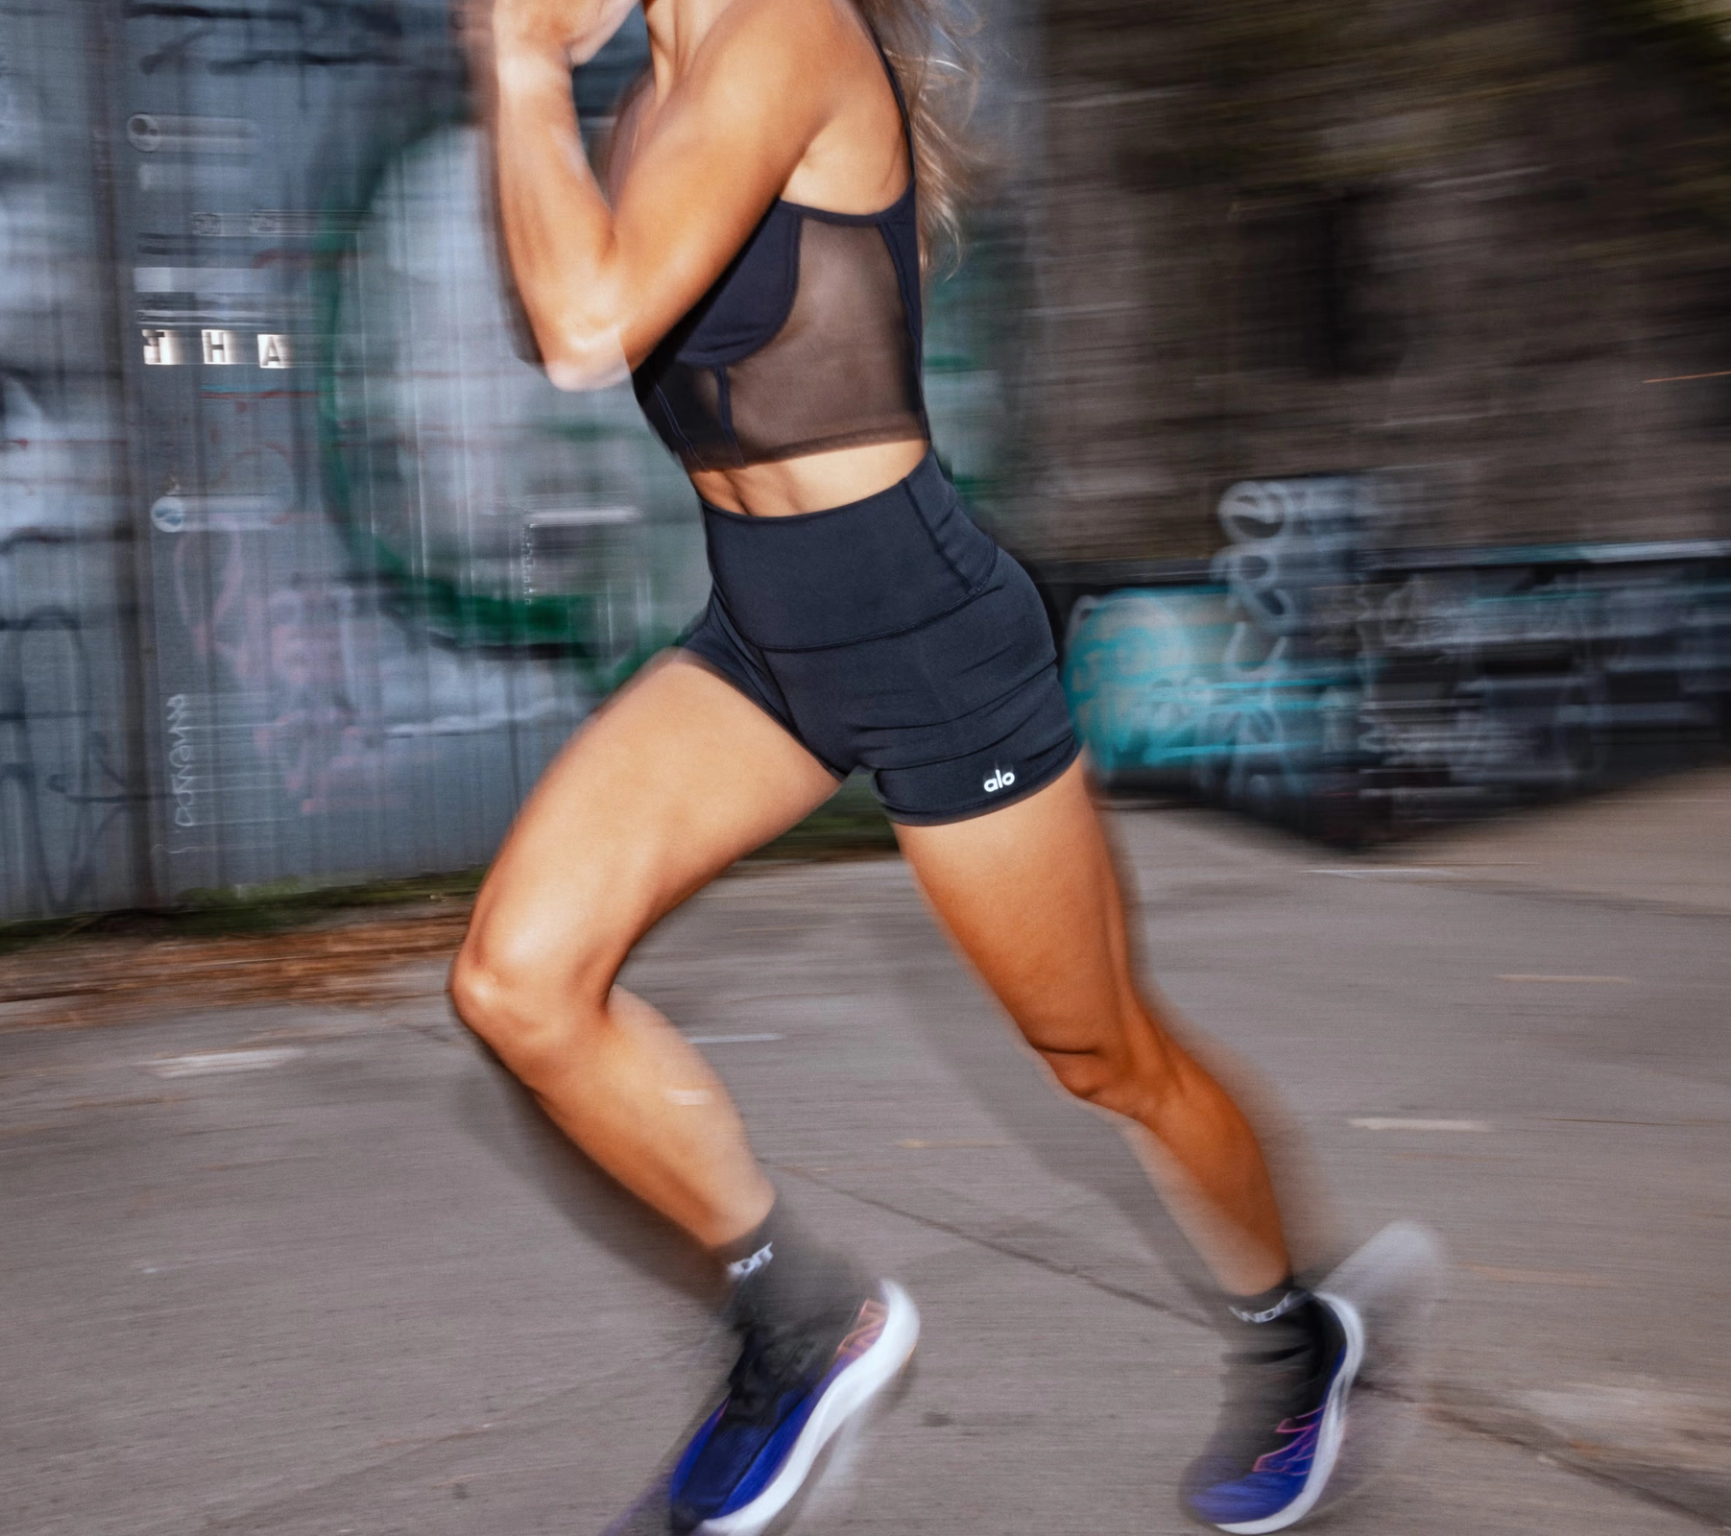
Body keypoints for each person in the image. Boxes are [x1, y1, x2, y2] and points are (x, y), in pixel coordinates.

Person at [451, 1, 1367, 1531]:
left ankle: (1300, 1337)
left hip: (930, 643)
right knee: (517, 984)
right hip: (762, 638)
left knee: (1105, 1058)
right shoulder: (644, 104)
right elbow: (565, 295)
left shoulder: (785, 32)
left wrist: (519, 58)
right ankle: (798, 1326)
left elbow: (588, 330)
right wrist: (532, 83)